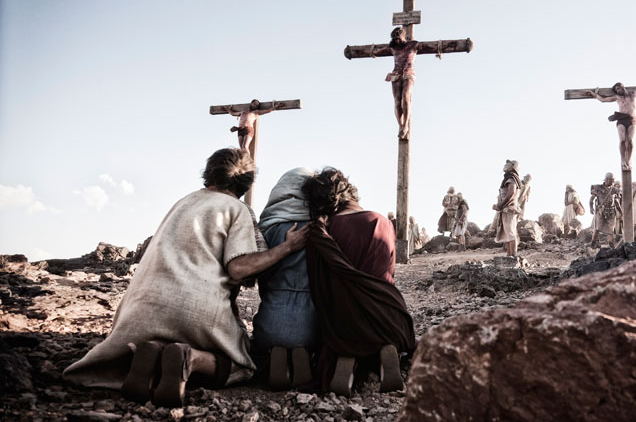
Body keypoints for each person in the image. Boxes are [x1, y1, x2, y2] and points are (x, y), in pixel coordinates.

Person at [63, 148, 309, 408]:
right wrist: (287, 247)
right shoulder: (237, 209)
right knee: (244, 365)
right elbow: (239, 268)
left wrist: (244, 142)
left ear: (210, 172)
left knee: (155, 341)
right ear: (246, 182)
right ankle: (190, 358)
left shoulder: (183, 202)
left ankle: (152, 356)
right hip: (193, 311)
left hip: (138, 311)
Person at [301, 168, 415, 397]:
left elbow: (319, 283)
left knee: (346, 331)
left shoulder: (325, 229)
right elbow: (389, 275)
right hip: (389, 317)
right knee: (381, 331)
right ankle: (386, 350)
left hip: (344, 322)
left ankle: (347, 357)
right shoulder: (383, 222)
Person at [253, 167, 317, 390]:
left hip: (271, 316)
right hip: (311, 322)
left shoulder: (266, 228)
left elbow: (261, 277)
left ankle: (274, 353)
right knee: (316, 342)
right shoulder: (318, 227)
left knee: (259, 349)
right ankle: (303, 352)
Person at [585, 83, 636, 170]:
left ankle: (628, 160)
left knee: (630, 141)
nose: (618, 91)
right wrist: (593, 94)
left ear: (622, 87)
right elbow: (603, 100)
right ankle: (623, 160)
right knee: (622, 140)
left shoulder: (633, 94)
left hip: (632, 120)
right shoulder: (617, 97)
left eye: (618, 88)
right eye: (616, 90)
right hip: (621, 119)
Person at [371, 27, 422, 139]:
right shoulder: (393, 47)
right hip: (396, 74)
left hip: (408, 73)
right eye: (395, 39)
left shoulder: (413, 45)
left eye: (399, 39)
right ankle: (401, 125)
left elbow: (432, 47)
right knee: (397, 101)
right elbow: (377, 51)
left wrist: (440, 48)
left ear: (404, 36)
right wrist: (370, 51)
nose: (397, 41)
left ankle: (405, 125)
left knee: (406, 96)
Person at [493, 160, 522, 256]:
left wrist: (500, 205)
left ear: (513, 166)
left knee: (510, 232)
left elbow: (511, 193)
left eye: (508, 164)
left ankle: (513, 256)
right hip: (507, 209)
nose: (505, 165)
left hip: (509, 209)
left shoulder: (512, 177)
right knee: (508, 233)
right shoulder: (510, 177)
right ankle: (509, 256)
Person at [589, 173, 621, 248]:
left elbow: (616, 202)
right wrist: (591, 208)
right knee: (597, 228)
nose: (613, 182)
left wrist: (620, 211)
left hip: (611, 211)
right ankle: (593, 243)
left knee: (611, 230)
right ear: (606, 180)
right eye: (611, 180)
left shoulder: (614, 190)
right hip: (601, 211)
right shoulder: (598, 188)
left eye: (613, 180)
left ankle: (611, 244)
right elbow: (592, 199)